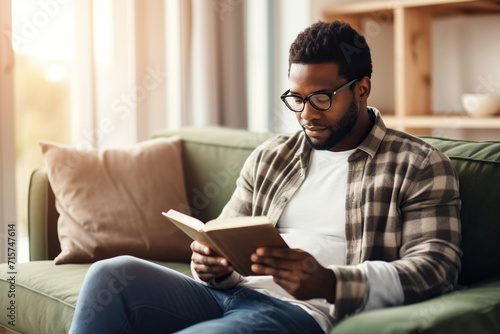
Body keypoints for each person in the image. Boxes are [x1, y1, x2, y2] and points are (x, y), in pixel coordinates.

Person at [69, 20, 461, 333]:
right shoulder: (273, 157)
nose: (306, 113)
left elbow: (436, 269)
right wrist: (210, 265)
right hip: (227, 295)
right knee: (111, 274)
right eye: (296, 98)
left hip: (300, 312)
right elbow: (221, 234)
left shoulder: (418, 165)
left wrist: (331, 283)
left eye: (322, 97)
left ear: (362, 89)